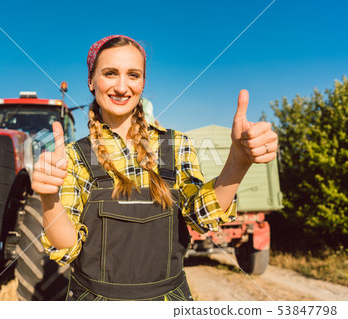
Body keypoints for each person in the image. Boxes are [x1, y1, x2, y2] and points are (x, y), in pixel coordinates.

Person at [32, 35, 278, 301]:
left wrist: (238, 163)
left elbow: (201, 218)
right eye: (110, 73)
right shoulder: (73, 156)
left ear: (143, 83)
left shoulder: (176, 145)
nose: (122, 86)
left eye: (133, 75)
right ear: (91, 81)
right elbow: (67, 249)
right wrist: (49, 199)